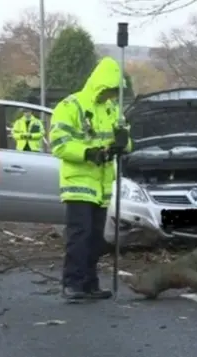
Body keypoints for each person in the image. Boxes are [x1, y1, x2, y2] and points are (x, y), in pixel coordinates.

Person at [49, 56, 131, 302]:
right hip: (79, 183)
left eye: (114, 91)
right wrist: (88, 152)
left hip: (103, 184)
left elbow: (128, 142)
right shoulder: (71, 106)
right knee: (80, 235)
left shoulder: (112, 110)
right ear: (99, 85)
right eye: (109, 90)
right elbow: (59, 143)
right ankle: (72, 283)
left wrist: (121, 143)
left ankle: (90, 283)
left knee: (96, 238)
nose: (111, 95)